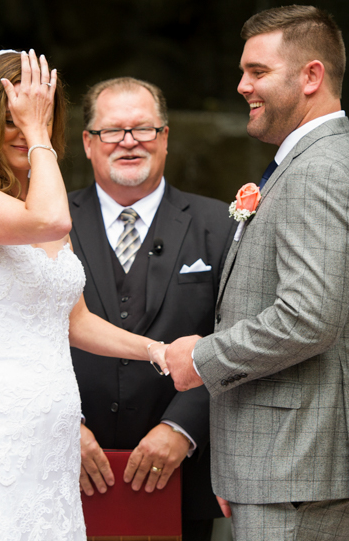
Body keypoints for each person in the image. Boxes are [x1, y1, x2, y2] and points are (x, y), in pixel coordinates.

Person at [0, 50, 169, 541]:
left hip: (49, 445)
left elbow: (74, 321)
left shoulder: (30, 201)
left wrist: (157, 352)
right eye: (11, 122)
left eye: (38, 121)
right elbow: (52, 220)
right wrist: (39, 131)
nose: (25, 133)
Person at [164, 5, 349, 540]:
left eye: (258, 72)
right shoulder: (324, 159)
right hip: (285, 457)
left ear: (311, 76)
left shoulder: (320, 171)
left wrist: (202, 358)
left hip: (299, 457)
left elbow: (309, 317)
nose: (242, 85)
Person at [68, 77, 234, 540]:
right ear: (87, 142)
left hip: (184, 476)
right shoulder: (46, 224)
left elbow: (238, 338)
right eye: (112, 130)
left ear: (165, 136)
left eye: (142, 129)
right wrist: (62, 426)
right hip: (62, 471)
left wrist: (183, 428)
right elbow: (19, 339)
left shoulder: (221, 226)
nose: (128, 142)